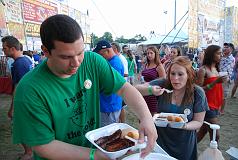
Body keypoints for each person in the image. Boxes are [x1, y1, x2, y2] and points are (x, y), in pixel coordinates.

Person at [12, 14, 157, 160]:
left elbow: (124, 88)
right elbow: (43, 145)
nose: (76, 63)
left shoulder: (92, 61)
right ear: (46, 51)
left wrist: (146, 118)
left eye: (80, 52)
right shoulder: (29, 89)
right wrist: (94, 155)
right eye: (66, 57)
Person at [136, 56, 209, 160]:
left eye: (180, 74)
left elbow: (198, 122)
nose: (175, 78)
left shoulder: (197, 93)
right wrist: (151, 90)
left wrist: (183, 126)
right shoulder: (163, 84)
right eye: (172, 73)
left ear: (188, 75)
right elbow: (136, 89)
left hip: (184, 144)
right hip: (161, 142)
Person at [2, 36, 33, 160]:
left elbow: (18, 88)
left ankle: (29, 152)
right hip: (29, 100)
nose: (3, 51)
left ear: (13, 48)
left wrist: (12, 108)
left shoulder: (18, 64)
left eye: (4, 48)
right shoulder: (26, 60)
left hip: (24, 102)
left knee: (19, 127)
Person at [196, 45, 226, 144]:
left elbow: (218, 89)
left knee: (203, 131)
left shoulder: (216, 69)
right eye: (218, 53)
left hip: (216, 105)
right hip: (208, 105)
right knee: (215, 135)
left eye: (221, 53)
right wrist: (215, 82)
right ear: (211, 54)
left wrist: (222, 104)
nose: (221, 55)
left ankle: (186, 148)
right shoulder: (203, 70)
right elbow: (198, 90)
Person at [93, 40, 124, 127]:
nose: (100, 57)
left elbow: (110, 86)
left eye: (101, 54)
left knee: (108, 132)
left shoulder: (114, 64)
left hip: (110, 105)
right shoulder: (112, 61)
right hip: (109, 104)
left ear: (107, 51)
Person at [140, 46, 166, 116]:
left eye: (151, 53)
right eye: (147, 53)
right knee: (143, 114)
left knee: (152, 116)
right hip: (144, 92)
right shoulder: (146, 64)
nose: (149, 55)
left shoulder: (159, 66)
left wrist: (150, 83)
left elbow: (163, 81)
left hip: (153, 95)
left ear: (155, 54)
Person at [111, 42, 128, 123]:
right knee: (120, 107)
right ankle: (121, 122)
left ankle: (123, 123)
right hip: (121, 85)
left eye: (111, 48)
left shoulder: (120, 59)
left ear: (115, 49)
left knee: (121, 106)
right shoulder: (117, 58)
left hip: (122, 85)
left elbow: (126, 73)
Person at [219, 43, 235, 114]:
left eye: (227, 47)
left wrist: (228, 79)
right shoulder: (220, 57)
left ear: (231, 49)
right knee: (217, 94)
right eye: (224, 47)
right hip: (217, 77)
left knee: (224, 95)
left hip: (226, 79)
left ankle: (222, 110)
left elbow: (230, 70)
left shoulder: (232, 59)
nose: (224, 48)